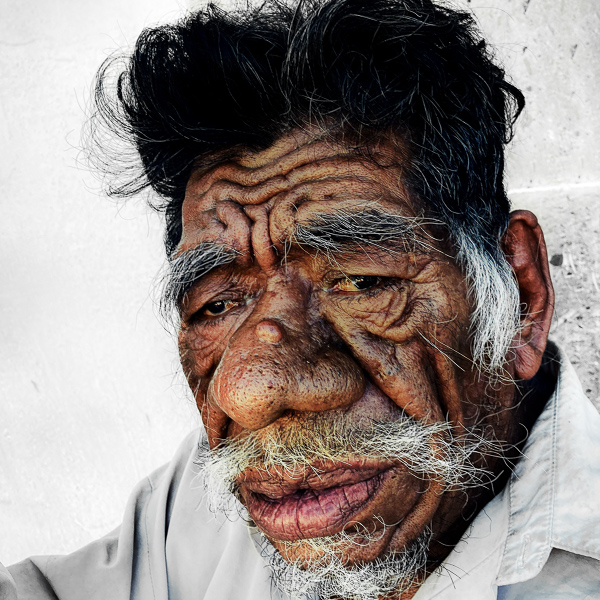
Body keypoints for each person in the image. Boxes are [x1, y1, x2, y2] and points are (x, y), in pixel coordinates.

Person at [3, 0, 599, 598]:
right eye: (217, 305)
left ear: (522, 300)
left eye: (363, 282)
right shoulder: (224, 490)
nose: (253, 395)